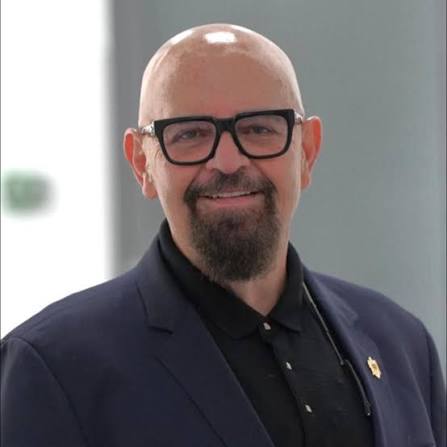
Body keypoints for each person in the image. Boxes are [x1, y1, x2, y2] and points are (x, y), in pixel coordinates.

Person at [1, 23, 445, 447]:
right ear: (142, 163)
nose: (228, 162)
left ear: (307, 152)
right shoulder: (53, 368)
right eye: (191, 134)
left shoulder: (402, 345)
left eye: (259, 129)